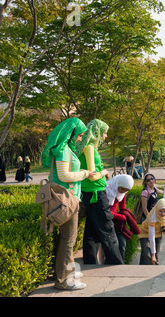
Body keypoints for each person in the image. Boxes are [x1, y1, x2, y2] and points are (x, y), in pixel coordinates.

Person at [41, 117, 95, 290]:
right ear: (71, 134)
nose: (80, 139)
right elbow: (64, 176)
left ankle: (66, 270)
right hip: (67, 200)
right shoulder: (63, 151)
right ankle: (63, 280)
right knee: (68, 239)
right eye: (79, 135)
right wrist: (86, 173)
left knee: (68, 238)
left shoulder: (66, 150)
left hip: (70, 198)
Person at [77, 119, 123, 265]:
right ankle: (117, 264)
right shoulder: (89, 148)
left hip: (88, 194)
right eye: (104, 133)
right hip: (96, 193)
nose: (105, 136)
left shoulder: (83, 147)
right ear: (97, 132)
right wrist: (104, 172)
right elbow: (93, 175)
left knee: (91, 231)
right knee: (108, 230)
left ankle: (89, 261)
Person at [106, 174, 139, 260]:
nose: (123, 191)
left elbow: (122, 208)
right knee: (113, 245)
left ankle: (121, 264)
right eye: (122, 189)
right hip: (106, 220)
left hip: (115, 221)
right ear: (118, 183)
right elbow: (105, 211)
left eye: (126, 190)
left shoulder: (122, 193)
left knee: (122, 244)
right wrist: (121, 217)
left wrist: (125, 215)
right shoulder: (108, 189)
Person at [139, 198, 165, 265]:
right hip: (146, 233)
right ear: (157, 209)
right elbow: (151, 237)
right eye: (160, 211)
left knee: (156, 257)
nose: (163, 213)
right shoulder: (152, 217)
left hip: (158, 233)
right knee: (149, 256)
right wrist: (153, 255)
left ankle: (154, 272)